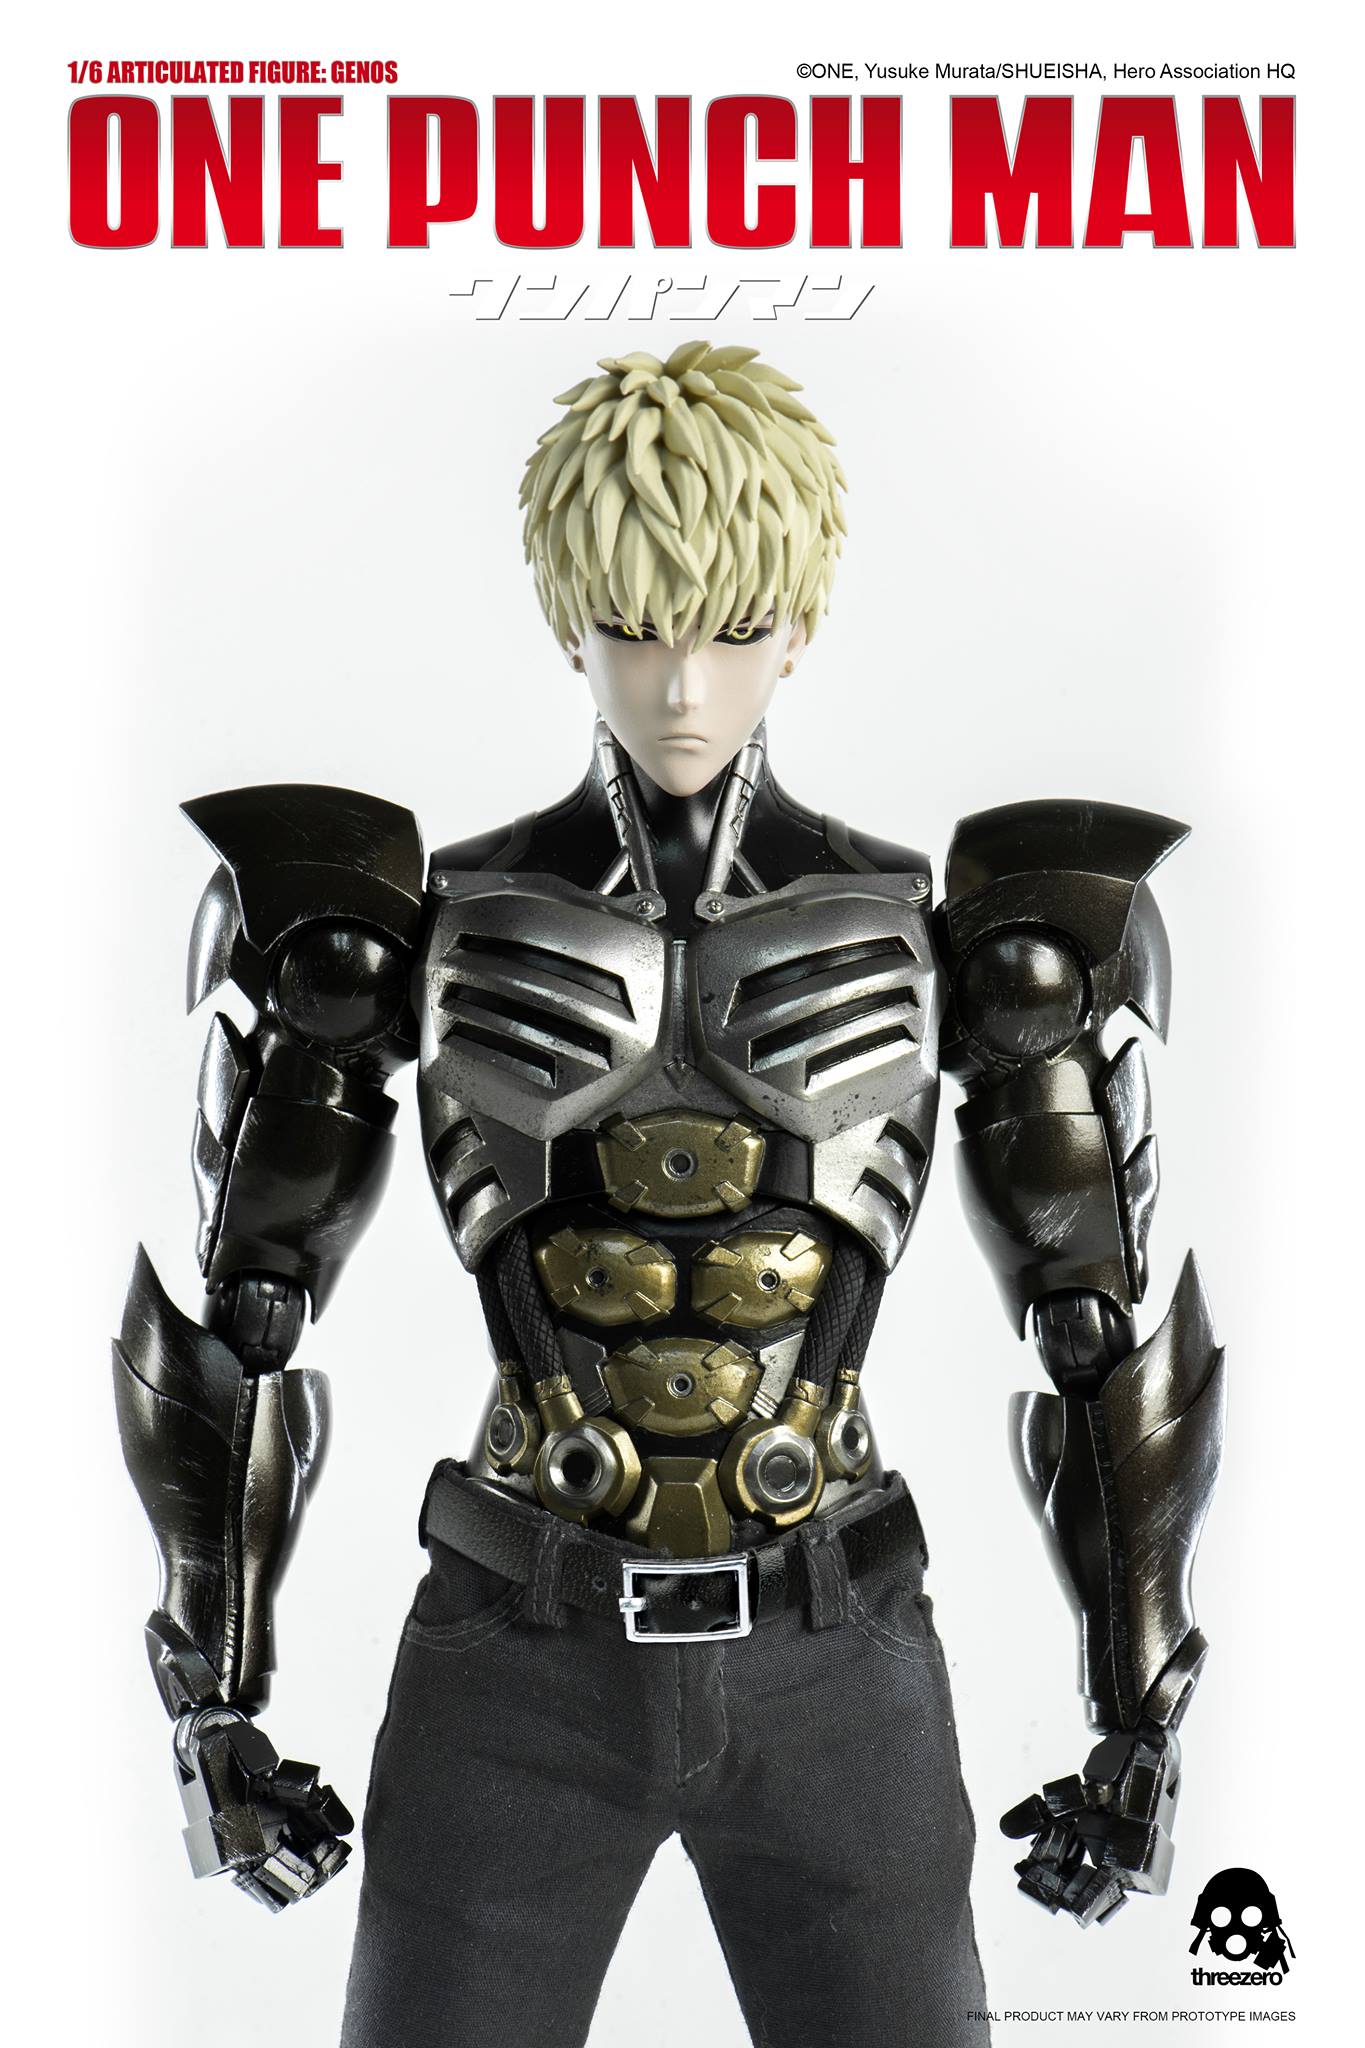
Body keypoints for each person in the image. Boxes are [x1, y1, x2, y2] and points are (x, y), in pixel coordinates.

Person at [114, 343, 1224, 2048]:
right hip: (520, 1640)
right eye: (635, 629)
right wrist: (212, 1704)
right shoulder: (407, 929)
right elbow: (247, 1308)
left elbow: (1094, 1328)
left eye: (730, 628)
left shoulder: (961, 942)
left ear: (801, 626)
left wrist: (1138, 1715)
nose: (682, 687)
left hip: (833, 1638)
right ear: (571, 622)